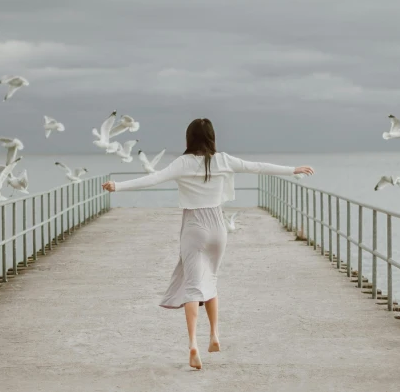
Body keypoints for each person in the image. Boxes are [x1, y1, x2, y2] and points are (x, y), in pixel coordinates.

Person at [102, 118, 314, 370]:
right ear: (212, 137)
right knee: (211, 279)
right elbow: (256, 166)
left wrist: (118, 186)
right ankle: (214, 335)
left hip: (194, 226)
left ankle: (193, 344)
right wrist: (293, 169)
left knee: (192, 287)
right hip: (218, 226)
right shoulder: (223, 160)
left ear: (189, 138)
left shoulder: (183, 163)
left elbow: (153, 179)